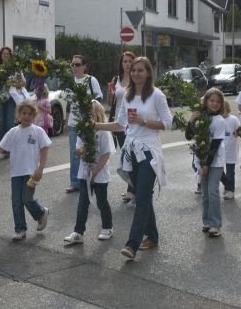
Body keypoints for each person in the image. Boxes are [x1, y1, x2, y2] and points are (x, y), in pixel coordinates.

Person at [95, 56, 173, 261]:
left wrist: (143, 121)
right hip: (131, 151)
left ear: (148, 73)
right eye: (134, 70)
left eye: (140, 70)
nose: (136, 73)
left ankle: (132, 244)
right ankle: (152, 236)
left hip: (149, 152)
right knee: (142, 195)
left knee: (142, 198)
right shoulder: (128, 96)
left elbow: (168, 123)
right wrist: (95, 125)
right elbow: (120, 125)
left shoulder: (156, 95)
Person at [0, 101, 51, 241]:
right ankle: (20, 229)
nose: (26, 116)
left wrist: (40, 168)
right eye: (24, 113)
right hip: (16, 172)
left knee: (27, 199)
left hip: (31, 173)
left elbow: (44, 149)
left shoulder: (38, 131)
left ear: (34, 116)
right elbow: (1, 147)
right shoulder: (13, 132)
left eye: (30, 114)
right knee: (16, 201)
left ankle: (41, 213)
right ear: (18, 114)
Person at [64, 101, 115, 244]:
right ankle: (78, 232)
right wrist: (80, 151)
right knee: (83, 202)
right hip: (84, 173)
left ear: (96, 114)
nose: (85, 117)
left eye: (88, 114)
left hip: (100, 173)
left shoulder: (103, 132)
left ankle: (108, 227)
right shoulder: (83, 132)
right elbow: (78, 150)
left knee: (101, 201)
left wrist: (96, 171)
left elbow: (106, 154)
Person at [186, 88, 226, 237]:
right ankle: (207, 221)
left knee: (212, 191)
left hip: (215, 160)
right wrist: (191, 121)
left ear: (221, 104)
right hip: (201, 158)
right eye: (212, 100)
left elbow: (215, 145)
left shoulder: (220, 120)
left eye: (218, 101)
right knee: (205, 193)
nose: (214, 104)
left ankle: (215, 224)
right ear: (206, 101)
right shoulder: (201, 117)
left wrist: (206, 164)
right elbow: (188, 136)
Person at [65, 54, 103, 193]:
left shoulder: (91, 80)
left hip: (88, 122)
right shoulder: (70, 82)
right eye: (73, 64)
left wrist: (90, 111)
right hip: (73, 123)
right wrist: (66, 122)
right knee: (75, 153)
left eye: (77, 64)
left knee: (90, 151)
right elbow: (69, 104)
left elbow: (98, 98)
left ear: (84, 66)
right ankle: (75, 182)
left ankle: (92, 178)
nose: (74, 67)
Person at [110, 51, 136, 202]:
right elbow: (112, 101)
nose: (127, 64)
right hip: (119, 123)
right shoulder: (116, 79)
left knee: (131, 156)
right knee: (125, 156)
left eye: (130, 61)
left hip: (133, 123)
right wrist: (111, 94)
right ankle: (132, 186)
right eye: (125, 61)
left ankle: (131, 190)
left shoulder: (137, 79)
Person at [221, 101, 241, 200]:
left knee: (230, 172)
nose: (222, 113)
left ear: (227, 109)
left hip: (231, 150)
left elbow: (240, 130)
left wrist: (238, 132)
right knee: (218, 171)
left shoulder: (233, 119)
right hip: (219, 150)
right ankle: (227, 185)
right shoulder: (217, 120)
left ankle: (230, 191)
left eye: (224, 110)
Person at [0, 47, 15, 139]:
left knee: (9, 122)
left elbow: (23, 82)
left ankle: (11, 143)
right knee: (1, 122)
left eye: (8, 54)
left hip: (11, 98)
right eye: (4, 53)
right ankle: (3, 144)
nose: (6, 55)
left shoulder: (14, 68)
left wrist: (12, 83)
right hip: (0, 98)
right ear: (1, 56)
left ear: (10, 56)